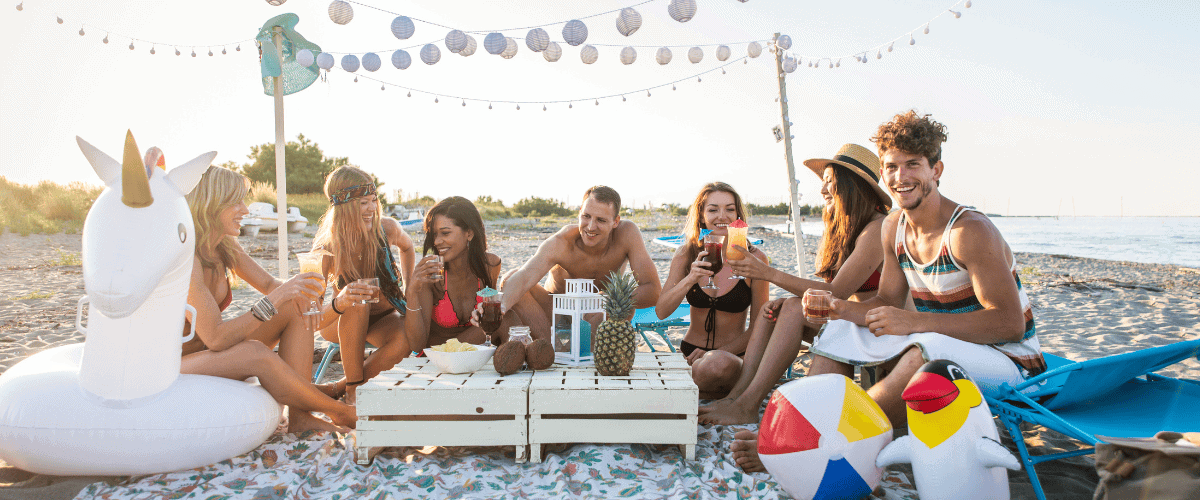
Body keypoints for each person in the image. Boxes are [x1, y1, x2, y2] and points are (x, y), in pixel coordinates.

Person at [732, 111, 1045, 473]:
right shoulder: (893, 227)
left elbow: (1009, 325)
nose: (901, 177)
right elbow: (885, 302)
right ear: (882, 172)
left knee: (925, 351)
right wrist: (836, 308)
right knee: (841, 328)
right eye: (892, 166)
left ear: (936, 170)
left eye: (913, 165)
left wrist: (913, 321)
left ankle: (816, 443)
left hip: (1011, 363)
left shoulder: (968, 231)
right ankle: (801, 427)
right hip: (943, 343)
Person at [699, 144, 892, 424]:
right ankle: (737, 398)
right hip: (849, 320)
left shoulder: (878, 228)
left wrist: (768, 273)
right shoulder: (849, 227)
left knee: (791, 309)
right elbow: (832, 291)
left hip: (875, 327)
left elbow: (836, 292)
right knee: (772, 310)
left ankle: (747, 405)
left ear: (852, 186)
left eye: (830, 183)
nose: (823, 190)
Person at [182, 165, 357, 434]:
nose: (245, 209)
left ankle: (301, 417)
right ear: (211, 204)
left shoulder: (223, 246)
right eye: (235, 201)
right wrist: (277, 298)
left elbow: (267, 284)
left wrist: (299, 293)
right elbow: (215, 338)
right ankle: (341, 412)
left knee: (294, 306)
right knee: (253, 352)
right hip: (177, 364)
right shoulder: (187, 260)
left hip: (210, 353)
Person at [490, 185, 662, 338]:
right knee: (510, 278)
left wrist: (609, 298)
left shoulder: (627, 234)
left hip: (596, 315)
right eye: (586, 216)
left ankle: (591, 350)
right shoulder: (562, 242)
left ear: (615, 221)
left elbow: (653, 290)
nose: (591, 226)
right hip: (554, 313)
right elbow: (525, 277)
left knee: (625, 302)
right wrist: (500, 307)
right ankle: (548, 347)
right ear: (580, 212)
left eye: (601, 220)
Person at [312, 166, 417, 405]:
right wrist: (341, 301)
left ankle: (341, 387)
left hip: (381, 317)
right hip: (339, 322)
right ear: (344, 207)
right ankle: (353, 391)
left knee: (409, 334)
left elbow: (408, 247)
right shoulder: (326, 250)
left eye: (373, 200)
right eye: (362, 203)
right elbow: (314, 319)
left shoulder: (386, 229)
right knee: (357, 302)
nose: (372, 209)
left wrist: (410, 288)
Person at [655, 182, 769, 398]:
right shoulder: (686, 255)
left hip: (731, 358)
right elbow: (662, 311)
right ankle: (695, 391)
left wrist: (718, 353)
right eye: (713, 209)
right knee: (705, 369)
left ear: (738, 215)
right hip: (691, 354)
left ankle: (688, 391)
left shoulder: (755, 259)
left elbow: (758, 328)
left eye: (729, 209)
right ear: (702, 215)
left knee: (716, 365)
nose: (722, 216)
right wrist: (691, 278)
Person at [405, 196, 519, 348]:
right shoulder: (432, 274)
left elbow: (489, 320)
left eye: (445, 233)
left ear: (469, 234)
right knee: (507, 319)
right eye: (434, 235)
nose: (437, 242)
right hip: (441, 354)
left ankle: (532, 359)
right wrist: (412, 291)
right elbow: (417, 345)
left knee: (508, 315)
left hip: (473, 350)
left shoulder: (489, 265)